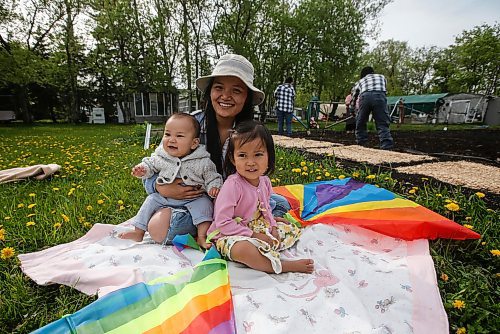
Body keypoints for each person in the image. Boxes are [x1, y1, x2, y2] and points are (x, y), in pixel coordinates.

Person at [143, 54, 291, 244]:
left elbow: (258, 174)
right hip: (196, 204)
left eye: (236, 90)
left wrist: (265, 211)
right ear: (210, 91)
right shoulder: (189, 125)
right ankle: (224, 227)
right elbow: (153, 167)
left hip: (237, 203)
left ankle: (241, 224)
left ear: (247, 97)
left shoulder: (250, 133)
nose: (225, 96)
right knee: (160, 228)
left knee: (281, 203)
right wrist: (161, 187)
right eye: (219, 87)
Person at [207, 120, 314, 274]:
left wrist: (272, 224)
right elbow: (223, 222)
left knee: (288, 228)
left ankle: (265, 249)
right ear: (232, 158)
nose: (250, 163)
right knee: (243, 249)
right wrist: (254, 235)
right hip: (229, 233)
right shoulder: (232, 186)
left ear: (269, 156)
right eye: (242, 155)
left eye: (258, 154)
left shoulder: (264, 181)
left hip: (255, 225)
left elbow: (266, 207)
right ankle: (281, 266)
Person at [120, 113, 222, 249]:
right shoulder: (162, 156)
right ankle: (138, 231)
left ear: (194, 143)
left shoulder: (202, 161)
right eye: (167, 134)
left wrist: (213, 187)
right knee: (151, 200)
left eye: (179, 136)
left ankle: (202, 237)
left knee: (205, 205)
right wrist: (143, 169)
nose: (171, 140)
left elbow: (212, 176)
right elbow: (150, 164)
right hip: (165, 198)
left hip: (194, 198)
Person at [351, 66, 394, 150]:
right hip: (380, 96)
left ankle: (362, 143)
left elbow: (354, 96)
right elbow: (383, 88)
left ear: (363, 75)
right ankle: (386, 145)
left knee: (361, 121)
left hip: (365, 97)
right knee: (382, 122)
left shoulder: (360, 81)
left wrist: (352, 110)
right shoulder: (382, 77)